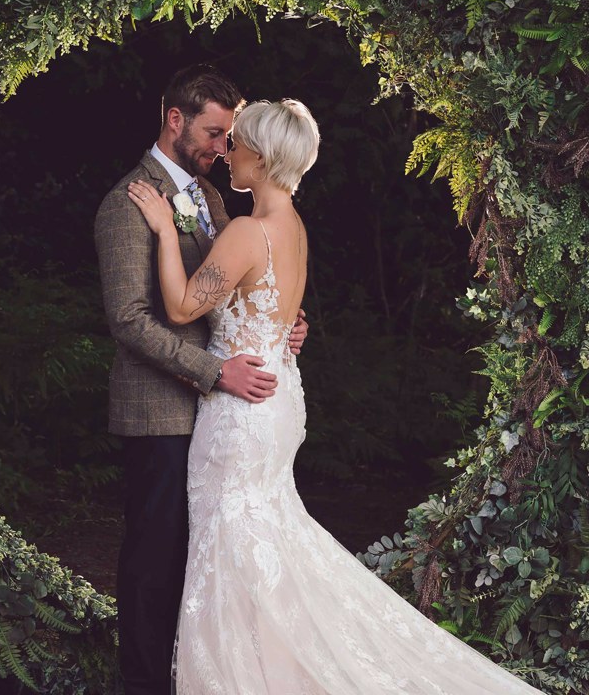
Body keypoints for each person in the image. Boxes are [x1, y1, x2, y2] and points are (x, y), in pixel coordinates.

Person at [128, 99, 543, 694]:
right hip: (277, 399)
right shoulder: (292, 226)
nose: (227, 153)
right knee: (265, 544)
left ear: (264, 157)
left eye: (238, 143)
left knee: (234, 550)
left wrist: (166, 229)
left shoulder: (248, 231)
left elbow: (180, 307)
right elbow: (278, 315)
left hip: (243, 413)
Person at [94, 65, 309, 695]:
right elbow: (130, 322)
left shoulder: (216, 201)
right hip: (162, 407)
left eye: (231, 138)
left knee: (208, 562)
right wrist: (217, 371)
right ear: (174, 119)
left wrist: (280, 329)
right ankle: (145, 683)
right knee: (155, 561)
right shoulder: (127, 203)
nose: (222, 147)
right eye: (215, 134)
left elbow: (244, 287)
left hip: (226, 411)